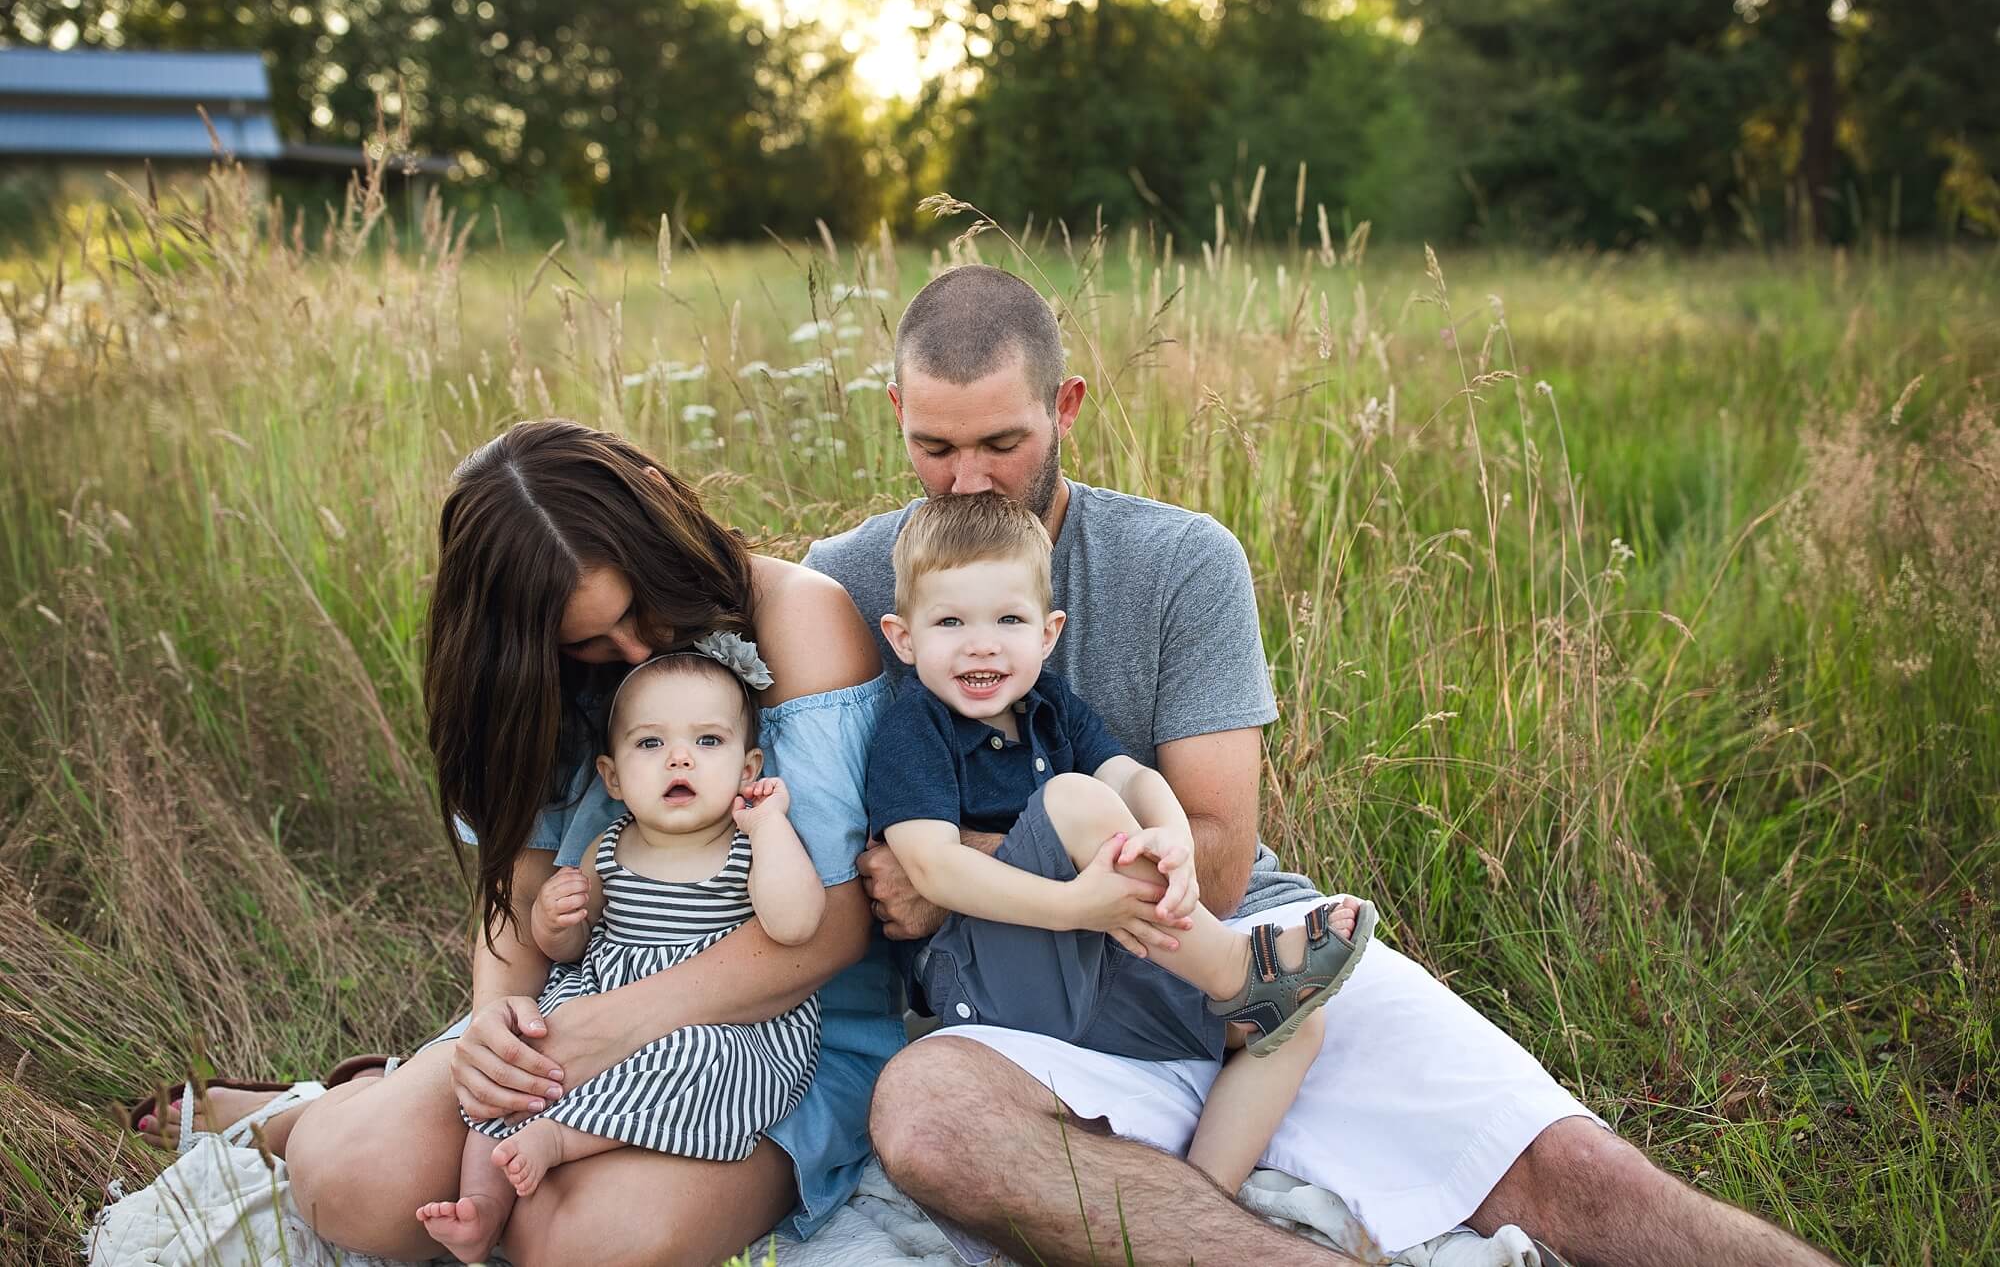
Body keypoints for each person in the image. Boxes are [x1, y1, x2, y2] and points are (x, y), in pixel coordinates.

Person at [805, 264, 1840, 1267]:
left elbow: (1207, 861)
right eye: (932, 446)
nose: (969, 478)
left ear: (1066, 403)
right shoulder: (845, 584)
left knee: (1578, 1175)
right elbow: (844, 879)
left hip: (1235, 944)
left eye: (1001, 441)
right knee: (927, 1119)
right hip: (1024, 1020)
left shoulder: (1178, 561)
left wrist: (955, 864)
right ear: (894, 409)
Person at [142, 419, 901, 1265]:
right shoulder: (543, 675)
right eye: (589, 643)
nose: (638, 650)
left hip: (773, 1027)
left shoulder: (798, 615)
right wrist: (500, 1021)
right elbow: (524, 879)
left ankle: (369, 1091)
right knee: (356, 1186)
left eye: (638, 609)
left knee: (581, 1241)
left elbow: (833, 927)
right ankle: (311, 1110)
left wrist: (607, 1028)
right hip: (585, 992)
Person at [866, 489, 1375, 1194]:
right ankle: (1233, 963)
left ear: (1047, 634)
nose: (981, 642)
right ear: (905, 637)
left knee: (1292, 1024)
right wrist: (1077, 905)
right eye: (950, 620)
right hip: (978, 977)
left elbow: (1132, 775)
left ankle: (1204, 1203)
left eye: (1008, 619)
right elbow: (931, 866)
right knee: (1074, 798)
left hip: (1086, 964)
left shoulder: (1051, 707)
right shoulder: (914, 726)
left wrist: (1171, 840)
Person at [419, 647, 828, 1262]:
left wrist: (769, 826)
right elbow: (574, 948)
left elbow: (796, 924)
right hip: (605, 995)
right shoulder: (608, 848)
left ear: (750, 768)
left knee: (688, 1058)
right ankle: (484, 1203)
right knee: (519, 1061)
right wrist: (553, 920)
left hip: (720, 1020)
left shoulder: (752, 846)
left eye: (709, 741)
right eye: (649, 744)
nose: (680, 758)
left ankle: (558, 1139)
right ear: (612, 777)